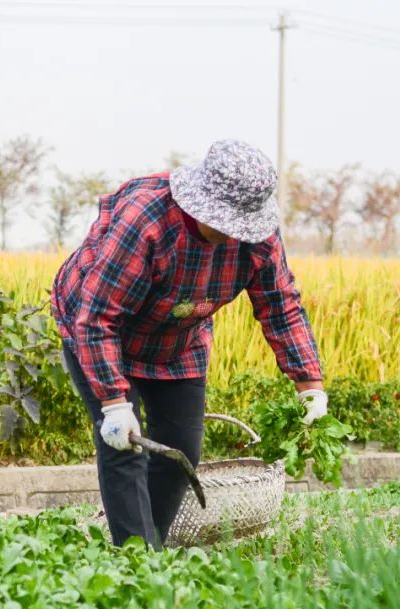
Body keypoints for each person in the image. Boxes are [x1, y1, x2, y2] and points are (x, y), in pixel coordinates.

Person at [50, 139, 325, 548]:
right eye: (226, 222)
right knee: (124, 446)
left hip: (179, 341)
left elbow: (280, 304)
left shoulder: (258, 238)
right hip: (102, 332)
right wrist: (114, 403)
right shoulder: (146, 220)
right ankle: (136, 560)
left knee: (182, 451)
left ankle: (152, 547)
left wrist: (310, 384)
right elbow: (97, 317)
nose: (234, 234)